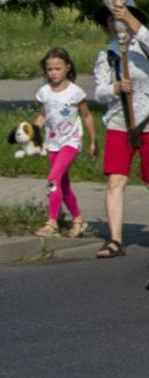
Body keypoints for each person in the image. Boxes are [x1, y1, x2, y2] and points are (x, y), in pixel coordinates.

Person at [92, 3, 149, 257]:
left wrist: (132, 22)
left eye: (119, 17)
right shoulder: (107, 54)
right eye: (110, 19)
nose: (114, 23)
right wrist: (116, 88)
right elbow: (99, 93)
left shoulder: (147, 43)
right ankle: (115, 239)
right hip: (120, 121)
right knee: (115, 180)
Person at [32, 48, 96, 238]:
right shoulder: (44, 92)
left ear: (67, 68)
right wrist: (32, 134)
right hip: (52, 142)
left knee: (53, 178)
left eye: (57, 69)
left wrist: (93, 141)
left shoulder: (75, 92)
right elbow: (43, 116)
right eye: (49, 69)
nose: (53, 73)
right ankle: (78, 220)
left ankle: (52, 222)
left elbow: (87, 115)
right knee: (63, 184)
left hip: (71, 141)